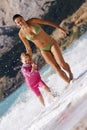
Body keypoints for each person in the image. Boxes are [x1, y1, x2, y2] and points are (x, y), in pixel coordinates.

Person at [13, 14, 73, 83]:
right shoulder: (21, 34)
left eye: (21, 20)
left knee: (62, 64)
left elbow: (48, 23)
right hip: (43, 50)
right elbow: (28, 48)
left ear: (23, 18)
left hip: (51, 43)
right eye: (18, 22)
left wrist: (60, 28)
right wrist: (31, 61)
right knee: (56, 68)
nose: (20, 22)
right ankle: (70, 83)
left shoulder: (33, 21)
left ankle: (70, 73)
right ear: (17, 25)